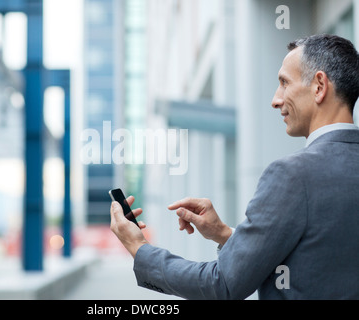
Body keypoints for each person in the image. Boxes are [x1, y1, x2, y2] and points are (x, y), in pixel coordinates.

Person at [109, 34, 359, 300]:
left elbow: (223, 284)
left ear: (319, 86)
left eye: (284, 83)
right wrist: (225, 234)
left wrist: (139, 248)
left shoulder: (293, 175)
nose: (275, 100)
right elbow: (318, 262)